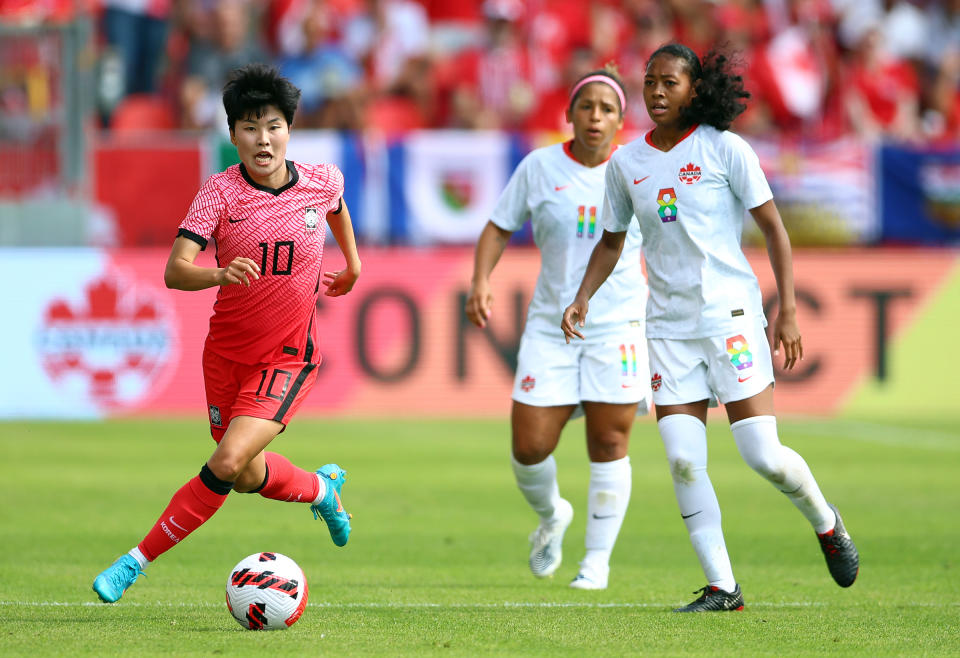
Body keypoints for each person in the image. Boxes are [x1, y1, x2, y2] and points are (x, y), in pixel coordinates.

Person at [561, 44, 859, 611]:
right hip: (668, 329)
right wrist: (581, 299)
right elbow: (612, 240)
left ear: (694, 90)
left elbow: (773, 230)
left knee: (762, 454)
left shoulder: (726, 149)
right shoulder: (627, 164)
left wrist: (787, 309)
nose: (656, 92)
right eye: (649, 82)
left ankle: (825, 521)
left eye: (669, 82)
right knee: (680, 458)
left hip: (730, 318)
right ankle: (724, 587)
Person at [92, 63, 362, 603]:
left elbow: (336, 209)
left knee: (225, 463)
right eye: (249, 128)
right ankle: (321, 489)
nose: (263, 139)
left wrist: (353, 265)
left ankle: (133, 562)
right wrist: (218, 272)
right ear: (233, 135)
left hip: (286, 357)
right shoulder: (219, 194)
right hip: (224, 357)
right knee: (242, 474)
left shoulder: (321, 179)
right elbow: (174, 270)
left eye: (273, 126)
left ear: (289, 128)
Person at [466, 65, 651, 590]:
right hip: (551, 325)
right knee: (529, 447)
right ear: (568, 114)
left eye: (607, 109)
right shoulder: (540, 166)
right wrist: (482, 279)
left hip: (616, 325)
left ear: (621, 119)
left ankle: (596, 563)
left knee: (610, 442)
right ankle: (553, 515)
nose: (596, 117)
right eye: (586, 107)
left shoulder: (638, 169)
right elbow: (497, 228)